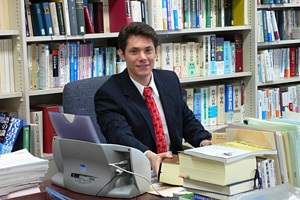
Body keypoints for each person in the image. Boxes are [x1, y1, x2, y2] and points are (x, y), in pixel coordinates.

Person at [94, 22, 212, 176]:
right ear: (122, 54)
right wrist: (149, 156)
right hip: (139, 170)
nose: (143, 58)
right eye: (134, 51)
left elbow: (185, 119)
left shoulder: (169, 80)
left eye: (148, 50)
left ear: (156, 51)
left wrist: (204, 142)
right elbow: (119, 135)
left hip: (175, 165)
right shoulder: (109, 94)